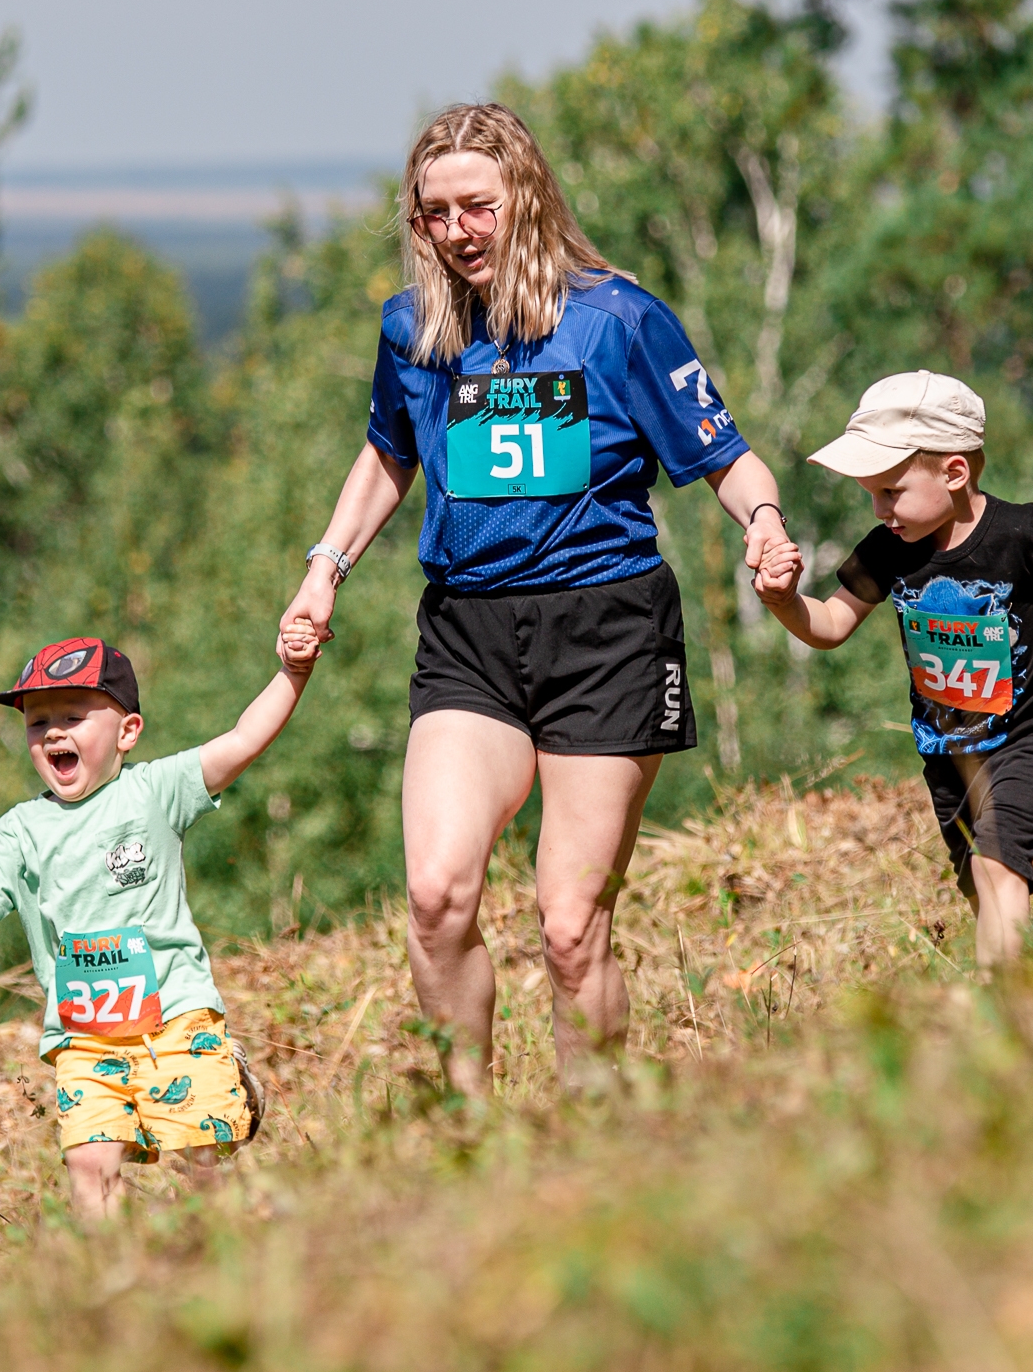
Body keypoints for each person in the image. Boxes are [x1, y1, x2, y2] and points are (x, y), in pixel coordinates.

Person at [278, 102, 793, 1095]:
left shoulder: (619, 320)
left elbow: (725, 454)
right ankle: (469, 1126)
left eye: (478, 205)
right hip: (469, 633)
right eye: (435, 213)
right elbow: (388, 453)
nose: (458, 230)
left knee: (568, 926)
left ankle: (586, 1128)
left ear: (527, 194)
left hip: (608, 630)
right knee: (436, 894)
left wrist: (763, 523)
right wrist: (324, 566)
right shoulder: (411, 329)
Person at [751, 370, 1033, 970]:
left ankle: (1000, 1007)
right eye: (872, 494)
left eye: (891, 491)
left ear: (954, 473)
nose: (879, 509)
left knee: (996, 865)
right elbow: (830, 624)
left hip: (1029, 731)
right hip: (947, 753)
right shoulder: (886, 549)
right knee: (984, 889)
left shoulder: (1023, 532)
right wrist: (782, 601)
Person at [0, 625, 319, 1222]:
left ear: (128, 732)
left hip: (175, 1014)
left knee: (201, 1154)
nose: (53, 732)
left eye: (73, 715)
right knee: (90, 1164)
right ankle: (115, 1271)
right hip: (84, 1036)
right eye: (38, 722)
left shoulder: (154, 792)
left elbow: (243, 740)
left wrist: (293, 673)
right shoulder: (20, 830)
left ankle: (222, 1247)